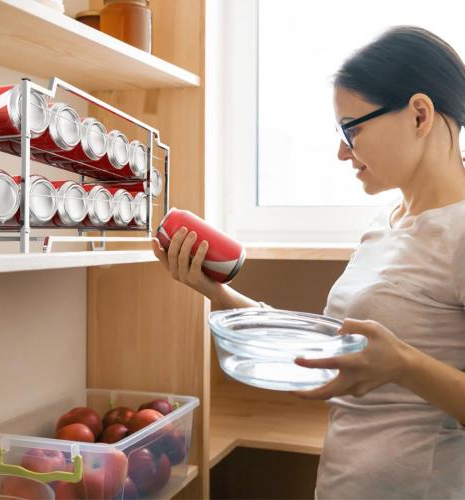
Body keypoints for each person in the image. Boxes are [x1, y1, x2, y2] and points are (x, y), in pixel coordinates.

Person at [152, 25, 465, 499]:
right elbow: (324, 344)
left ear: (419, 114)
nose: (342, 151)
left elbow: (391, 360)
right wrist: (216, 292)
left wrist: (403, 364)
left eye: (351, 129)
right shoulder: (385, 224)